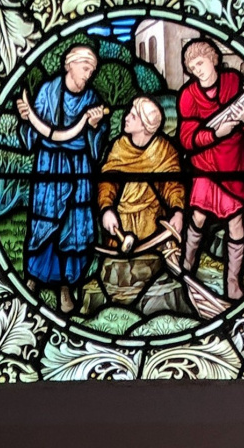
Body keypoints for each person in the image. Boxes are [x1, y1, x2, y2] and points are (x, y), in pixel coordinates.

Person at [16, 44, 109, 316]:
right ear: (69, 65)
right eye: (85, 68)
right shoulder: (48, 91)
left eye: (91, 70)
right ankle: (33, 278)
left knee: (73, 229)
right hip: (50, 165)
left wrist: (94, 127)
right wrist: (26, 119)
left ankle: (66, 288)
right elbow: (34, 133)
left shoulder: (92, 99)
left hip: (78, 167)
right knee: (44, 223)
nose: (88, 74)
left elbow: (96, 144)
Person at [178, 38, 244, 302]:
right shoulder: (188, 96)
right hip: (206, 164)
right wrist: (215, 133)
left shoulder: (234, 83)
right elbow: (186, 137)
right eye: (192, 67)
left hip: (234, 164)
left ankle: (233, 284)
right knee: (199, 216)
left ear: (213, 59)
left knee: (236, 222)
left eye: (200, 63)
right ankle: (186, 267)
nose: (197, 70)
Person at [98, 97, 185, 248]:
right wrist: (106, 209)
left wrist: (178, 212)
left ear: (145, 125)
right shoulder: (120, 147)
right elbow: (108, 183)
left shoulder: (164, 151)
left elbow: (173, 186)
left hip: (152, 224)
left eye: (133, 116)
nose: (126, 118)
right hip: (121, 223)